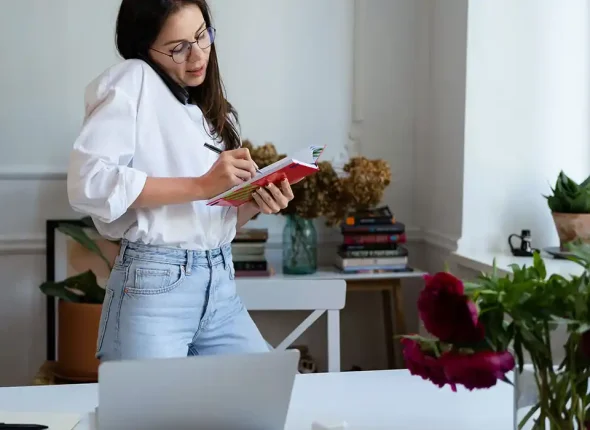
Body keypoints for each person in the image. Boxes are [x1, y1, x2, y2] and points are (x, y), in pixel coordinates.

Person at [66, 0, 294, 361]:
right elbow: (89, 183)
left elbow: (204, 220)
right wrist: (203, 184)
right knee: (154, 415)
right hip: (155, 287)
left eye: (202, 36)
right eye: (178, 48)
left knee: (263, 399)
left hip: (220, 283)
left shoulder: (206, 110)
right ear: (145, 49)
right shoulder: (132, 79)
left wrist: (253, 203)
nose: (198, 55)